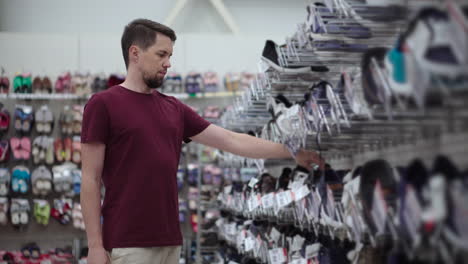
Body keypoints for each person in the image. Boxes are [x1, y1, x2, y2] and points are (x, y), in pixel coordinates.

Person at [80, 18, 323, 264]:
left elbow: (231, 140)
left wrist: (292, 152)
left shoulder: (173, 108)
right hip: (126, 243)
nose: (168, 63)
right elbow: (90, 179)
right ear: (135, 53)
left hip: (170, 242)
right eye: (161, 54)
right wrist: (95, 246)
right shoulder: (103, 105)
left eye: (170, 55)